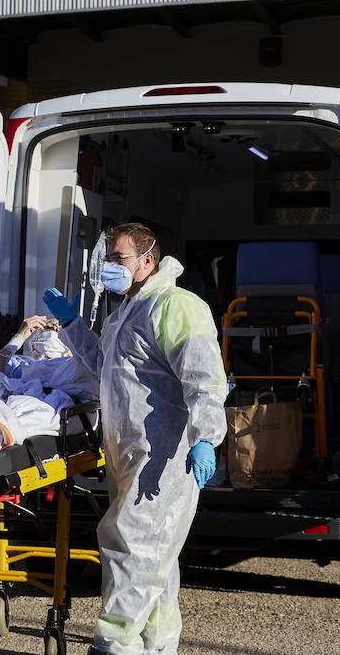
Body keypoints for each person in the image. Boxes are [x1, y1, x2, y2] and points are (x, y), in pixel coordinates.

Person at [43, 222, 226, 655]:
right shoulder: (125, 312)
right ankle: (156, 645)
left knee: (131, 548)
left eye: (118, 258)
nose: (110, 266)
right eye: (107, 258)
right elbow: (104, 364)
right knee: (154, 557)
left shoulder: (176, 306)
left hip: (163, 456)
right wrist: (70, 323)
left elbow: (203, 378)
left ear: (148, 260)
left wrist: (206, 436)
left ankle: (114, 643)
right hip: (128, 452)